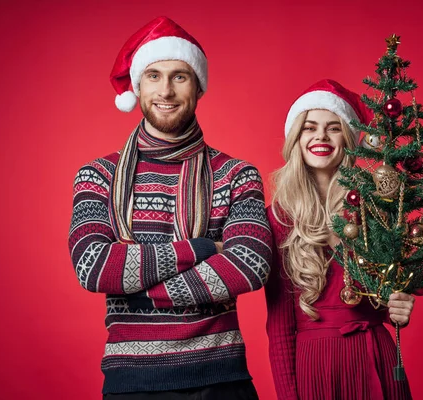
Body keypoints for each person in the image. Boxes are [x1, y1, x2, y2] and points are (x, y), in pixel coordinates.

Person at [68, 17, 271, 399]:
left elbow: (251, 264)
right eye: (154, 76)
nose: (166, 90)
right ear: (137, 86)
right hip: (133, 384)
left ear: (198, 87)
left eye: (180, 76)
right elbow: (93, 266)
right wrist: (204, 249)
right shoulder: (98, 175)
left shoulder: (236, 174)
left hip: (222, 380)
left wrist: (143, 292)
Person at [265, 79, 415, 400]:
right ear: (296, 138)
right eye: (310, 127)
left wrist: (397, 307)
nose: (321, 136)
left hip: (375, 354)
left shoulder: (374, 205)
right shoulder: (278, 217)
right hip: (315, 368)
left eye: (333, 128)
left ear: (348, 139)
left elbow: (386, 298)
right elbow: (278, 329)